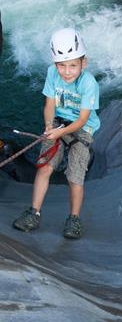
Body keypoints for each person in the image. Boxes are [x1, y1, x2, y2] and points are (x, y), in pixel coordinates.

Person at [13, 28, 100, 239]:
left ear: (83, 63)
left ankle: (74, 219)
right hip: (58, 124)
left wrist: (59, 133)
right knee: (44, 167)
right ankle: (33, 213)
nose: (67, 71)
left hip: (82, 130)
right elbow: (49, 104)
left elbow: (81, 119)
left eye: (73, 65)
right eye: (62, 65)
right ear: (55, 64)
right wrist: (49, 126)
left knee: (75, 177)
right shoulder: (53, 74)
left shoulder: (89, 83)